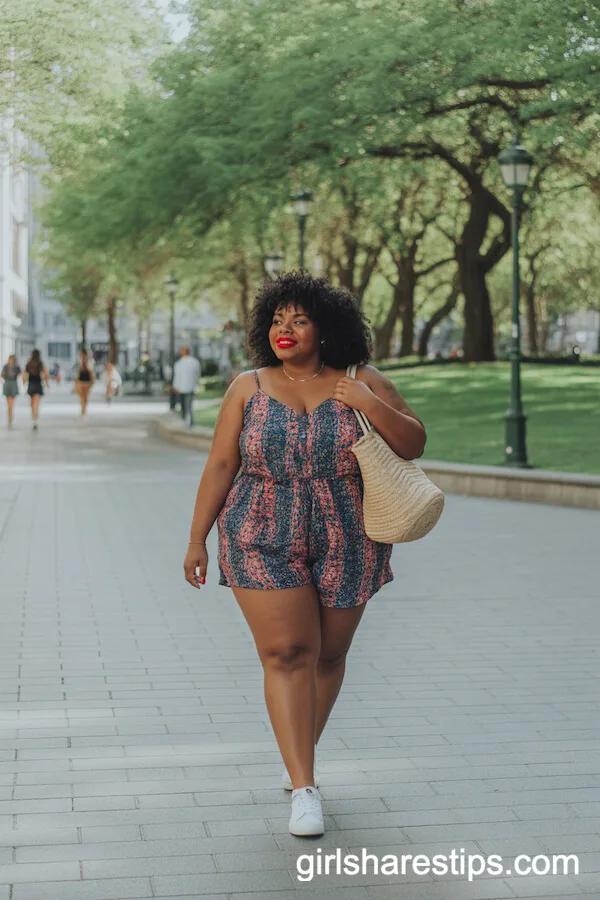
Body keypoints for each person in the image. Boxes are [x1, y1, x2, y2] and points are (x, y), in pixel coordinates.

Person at [183, 272, 427, 837]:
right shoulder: (248, 386)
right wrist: (197, 538)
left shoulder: (360, 379)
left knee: (329, 656)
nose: (284, 330)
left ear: (326, 326)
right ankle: (305, 787)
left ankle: (298, 757)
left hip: (349, 531)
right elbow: (222, 464)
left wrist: (367, 402)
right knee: (289, 653)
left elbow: (414, 442)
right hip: (259, 529)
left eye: (299, 319)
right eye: (276, 319)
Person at [172, 346, 201, 428]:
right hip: (189, 387)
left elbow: (176, 376)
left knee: (184, 406)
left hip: (182, 388)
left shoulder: (179, 363)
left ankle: (187, 421)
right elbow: (197, 374)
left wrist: (176, 386)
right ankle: (189, 422)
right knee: (188, 406)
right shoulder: (194, 362)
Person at [22, 349, 50, 431]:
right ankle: (35, 420)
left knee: (32, 404)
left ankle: (34, 418)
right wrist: (47, 384)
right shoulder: (40, 364)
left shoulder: (29, 363)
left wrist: (24, 382)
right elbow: (45, 374)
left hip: (31, 385)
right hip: (38, 385)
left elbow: (25, 374)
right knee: (36, 404)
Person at [74, 349, 95, 421]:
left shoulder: (89, 362)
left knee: (85, 398)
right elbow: (77, 373)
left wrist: (92, 382)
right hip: (80, 382)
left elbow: (91, 372)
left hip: (86, 382)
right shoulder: (79, 362)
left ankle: (83, 412)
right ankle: (82, 413)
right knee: (82, 398)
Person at [1, 354, 21, 429]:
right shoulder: (5, 366)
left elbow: (20, 374)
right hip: (7, 384)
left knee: (11, 403)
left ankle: (10, 415)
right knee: (9, 403)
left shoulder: (16, 367)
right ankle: (10, 415)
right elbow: (2, 375)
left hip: (13, 383)